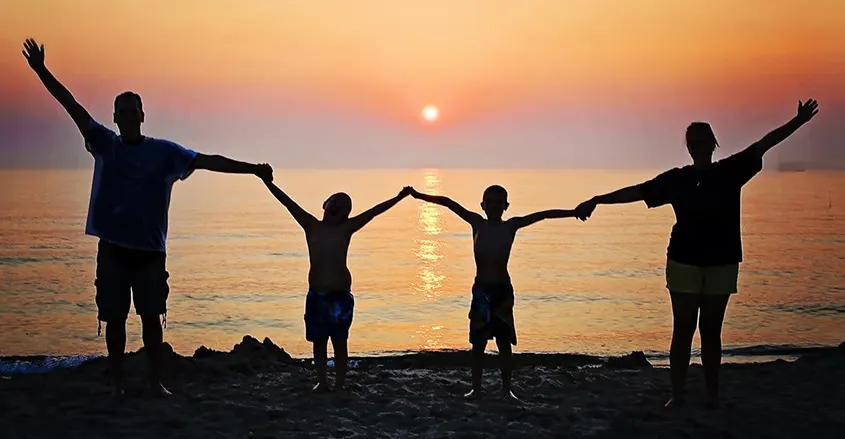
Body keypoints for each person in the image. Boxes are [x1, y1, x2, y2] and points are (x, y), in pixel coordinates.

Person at [22, 38, 274, 397]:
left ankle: (156, 382)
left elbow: (208, 160)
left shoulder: (164, 153)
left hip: (149, 252)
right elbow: (71, 105)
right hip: (113, 249)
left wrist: (253, 170)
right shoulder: (105, 144)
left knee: (152, 319)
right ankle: (119, 385)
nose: (127, 116)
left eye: (132, 110)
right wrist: (41, 70)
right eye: (121, 111)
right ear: (114, 118)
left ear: (142, 115)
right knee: (114, 319)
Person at [576, 99, 820, 408]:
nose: (701, 146)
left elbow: (764, 144)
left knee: (711, 332)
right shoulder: (677, 179)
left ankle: (712, 395)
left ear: (714, 144)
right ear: (689, 147)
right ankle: (677, 396)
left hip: (722, 260)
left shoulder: (731, 170)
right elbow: (638, 192)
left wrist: (798, 121)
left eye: (705, 140)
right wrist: (596, 199)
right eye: (695, 142)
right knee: (683, 330)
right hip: (684, 260)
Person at [409, 185, 588, 400]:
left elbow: (544, 215)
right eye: (489, 202)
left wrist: (573, 212)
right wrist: (419, 195)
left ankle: (506, 389)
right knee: (478, 343)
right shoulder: (477, 222)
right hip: (482, 290)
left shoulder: (511, 226)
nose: (493, 206)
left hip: (502, 291)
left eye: (498, 202)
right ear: (482, 205)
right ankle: (476, 388)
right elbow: (448, 202)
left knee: (504, 343)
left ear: (506, 206)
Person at [260, 177, 413, 392]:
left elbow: (374, 212)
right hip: (317, 296)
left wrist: (398, 197)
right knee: (319, 342)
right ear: (325, 204)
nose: (338, 206)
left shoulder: (346, 229)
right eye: (336, 201)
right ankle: (322, 381)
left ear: (346, 215)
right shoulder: (311, 225)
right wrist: (267, 182)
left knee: (340, 343)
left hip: (340, 297)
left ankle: (340, 384)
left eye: (344, 206)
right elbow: (287, 202)